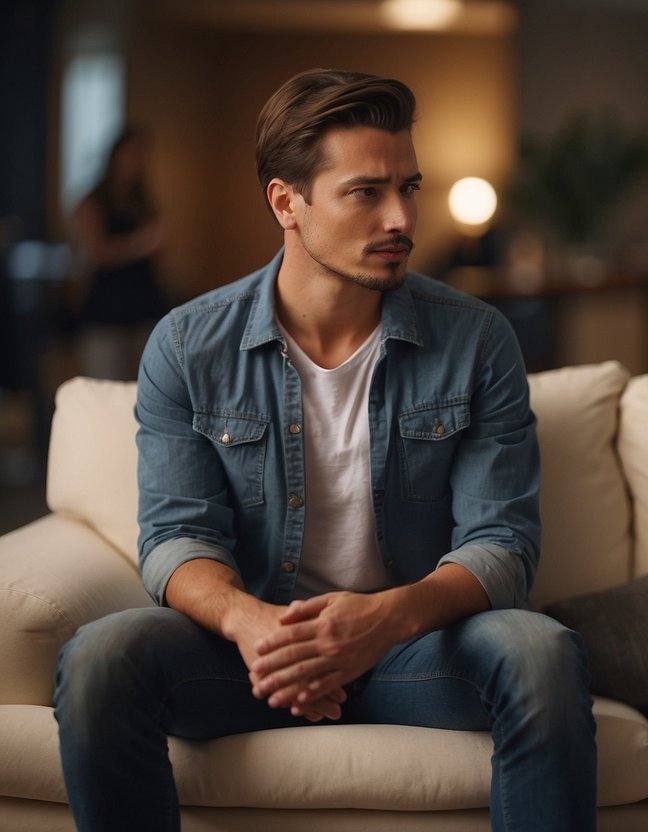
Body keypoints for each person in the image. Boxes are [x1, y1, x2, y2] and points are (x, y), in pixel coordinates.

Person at [53, 68, 597, 832]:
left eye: (409, 186)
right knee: (100, 658)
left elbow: (501, 544)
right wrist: (255, 626)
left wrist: (381, 620)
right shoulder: (185, 346)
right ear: (287, 202)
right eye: (365, 192)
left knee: (541, 654)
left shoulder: (476, 341)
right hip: (250, 656)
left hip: (415, 652)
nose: (401, 216)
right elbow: (178, 536)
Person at [68, 125, 167, 380]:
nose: (138, 162)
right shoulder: (92, 202)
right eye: (132, 153)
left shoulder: (143, 202)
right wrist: (139, 244)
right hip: (106, 313)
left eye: (142, 154)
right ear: (115, 156)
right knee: (107, 392)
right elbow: (96, 253)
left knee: (143, 391)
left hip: (144, 307)